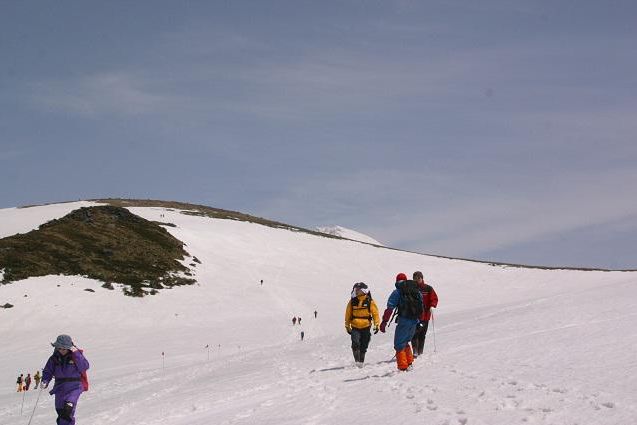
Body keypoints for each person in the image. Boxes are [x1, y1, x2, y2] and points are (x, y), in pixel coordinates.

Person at [41, 334, 90, 425]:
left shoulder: (76, 356)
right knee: (61, 413)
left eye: (64, 348)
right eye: (59, 348)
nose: (61, 350)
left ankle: (69, 406)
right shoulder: (54, 359)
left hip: (74, 387)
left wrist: (76, 353)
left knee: (67, 410)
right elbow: (48, 371)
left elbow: (84, 366)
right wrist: (45, 380)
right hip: (60, 388)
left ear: (69, 348)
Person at [379, 273, 423, 371]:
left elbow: (390, 308)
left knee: (399, 344)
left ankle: (403, 367)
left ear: (396, 281)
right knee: (406, 341)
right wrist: (419, 321)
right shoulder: (416, 291)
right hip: (414, 321)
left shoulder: (398, 291)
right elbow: (421, 306)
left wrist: (384, 322)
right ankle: (409, 363)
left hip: (404, 320)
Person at [344, 282, 380, 367]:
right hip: (355, 327)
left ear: (364, 290)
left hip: (366, 327)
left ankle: (361, 361)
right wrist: (347, 325)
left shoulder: (369, 301)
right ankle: (357, 362)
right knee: (355, 343)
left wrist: (376, 324)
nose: (356, 291)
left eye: (358, 290)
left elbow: (375, 313)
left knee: (364, 344)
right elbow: (348, 314)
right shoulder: (352, 301)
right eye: (356, 289)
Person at [411, 271, 439, 358]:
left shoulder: (428, 288)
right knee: (414, 334)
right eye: (415, 278)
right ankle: (415, 352)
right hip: (415, 316)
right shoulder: (412, 288)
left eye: (419, 278)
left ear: (422, 278)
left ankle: (420, 352)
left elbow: (434, 298)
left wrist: (432, 306)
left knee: (422, 334)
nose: (417, 280)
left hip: (426, 316)